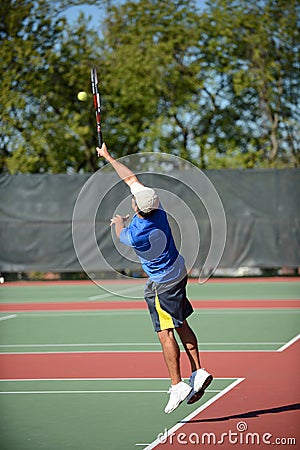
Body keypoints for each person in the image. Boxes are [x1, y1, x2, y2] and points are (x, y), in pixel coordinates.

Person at [97, 142, 213, 414]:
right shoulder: (158, 209)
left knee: (164, 332)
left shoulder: (136, 234)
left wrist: (118, 223)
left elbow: (120, 236)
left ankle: (177, 384)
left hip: (162, 284)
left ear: (136, 207)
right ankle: (198, 371)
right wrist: (109, 156)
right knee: (180, 321)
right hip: (179, 270)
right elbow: (131, 178)